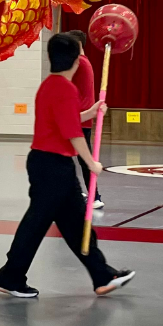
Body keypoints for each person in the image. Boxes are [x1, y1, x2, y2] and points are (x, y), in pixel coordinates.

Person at [0, 33, 134, 298]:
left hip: (49, 164)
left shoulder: (49, 85)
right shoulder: (66, 89)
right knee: (37, 223)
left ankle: (102, 275)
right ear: (77, 61)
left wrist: (90, 113)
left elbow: (66, 119)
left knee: (76, 225)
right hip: (52, 166)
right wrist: (92, 164)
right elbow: (73, 133)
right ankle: (10, 276)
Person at [67, 29, 103, 210]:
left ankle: (94, 196)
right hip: (81, 116)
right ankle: (82, 193)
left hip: (79, 117)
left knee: (80, 158)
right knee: (77, 158)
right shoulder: (85, 62)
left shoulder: (79, 62)